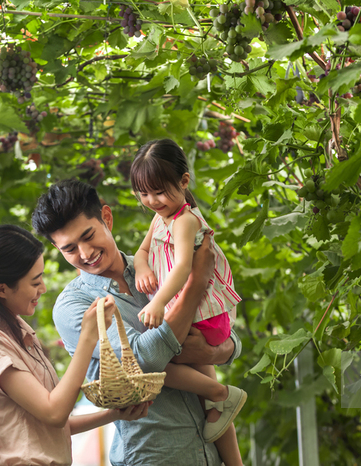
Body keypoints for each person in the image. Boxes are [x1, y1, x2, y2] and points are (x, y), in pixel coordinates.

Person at [32, 179, 244, 466]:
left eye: (88, 236)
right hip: (154, 455)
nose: (85, 254)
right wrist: (195, 287)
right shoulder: (74, 307)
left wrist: (218, 352)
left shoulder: (161, 264)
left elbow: (217, 326)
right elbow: (144, 358)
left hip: (212, 452)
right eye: (70, 249)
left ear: (106, 217)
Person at [0, 225, 150, 466]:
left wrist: (115, 414)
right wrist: (88, 337)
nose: (43, 289)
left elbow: (50, 426)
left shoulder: (18, 330)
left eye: (42, 277)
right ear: (2, 289)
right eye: (35, 282)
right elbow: (54, 413)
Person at [129, 139, 246, 459]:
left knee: (161, 358)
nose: (151, 200)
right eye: (144, 193)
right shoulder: (161, 218)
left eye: (159, 191)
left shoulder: (185, 221)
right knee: (185, 362)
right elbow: (141, 251)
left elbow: (182, 268)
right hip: (189, 307)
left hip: (207, 313)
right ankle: (219, 403)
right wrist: (141, 267)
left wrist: (156, 302)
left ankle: (219, 394)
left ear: (183, 182)